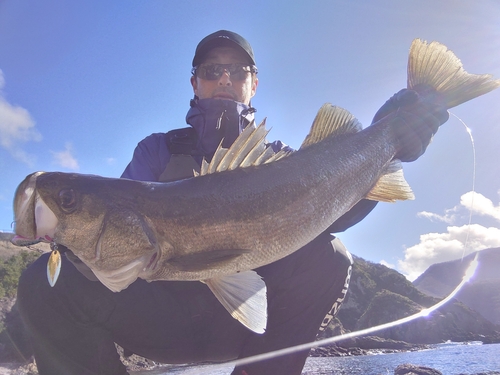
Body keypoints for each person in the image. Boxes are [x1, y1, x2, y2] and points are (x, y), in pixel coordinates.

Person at [11, 30, 448, 375]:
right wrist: (71, 240)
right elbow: (116, 238)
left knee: (330, 256)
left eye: (238, 71)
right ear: (194, 82)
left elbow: (329, 219)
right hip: (161, 320)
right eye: (211, 70)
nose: (224, 78)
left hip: (250, 328)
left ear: (253, 84)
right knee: (41, 282)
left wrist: (390, 139)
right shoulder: (156, 151)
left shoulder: (283, 160)